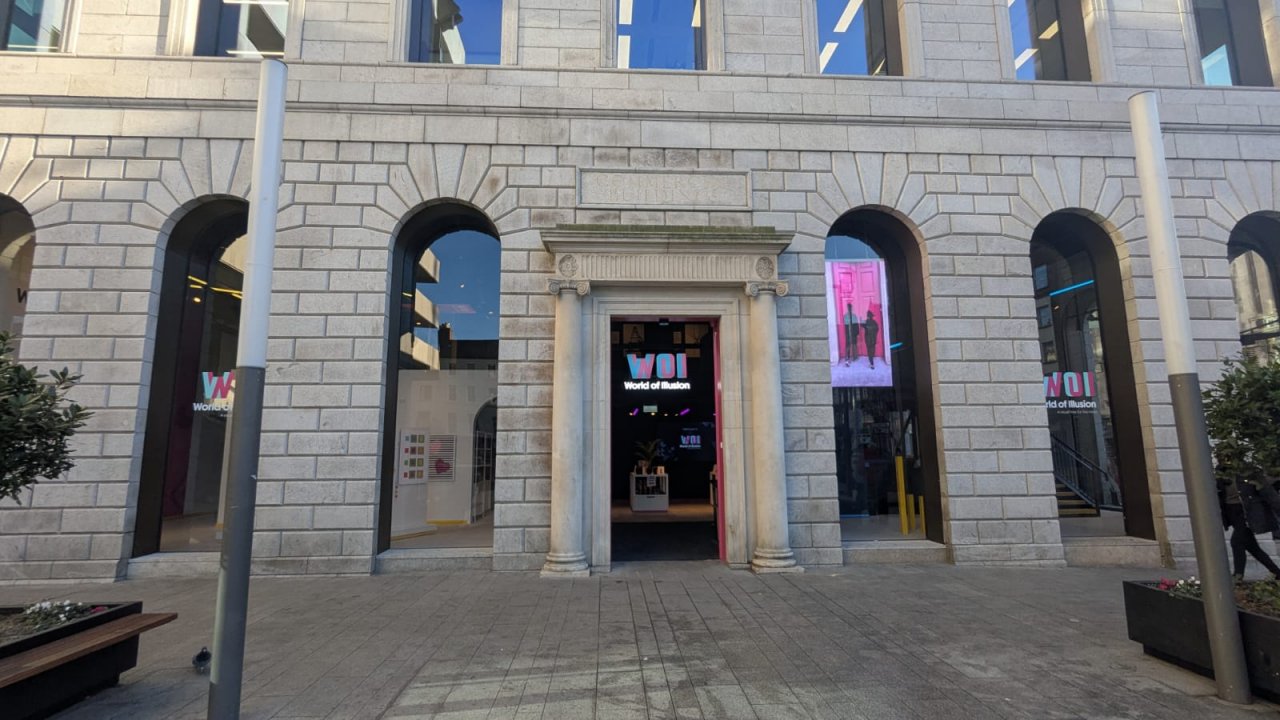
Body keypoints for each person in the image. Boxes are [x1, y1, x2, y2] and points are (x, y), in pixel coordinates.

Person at [1219, 470, 1280, 580]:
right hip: (1232, 513)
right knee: (1251, 546)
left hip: (1245, 513)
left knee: (1236, 542)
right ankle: (1276, 572)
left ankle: (1238, 575)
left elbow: (1268, 493)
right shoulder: (1220, 473)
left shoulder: (1248, 472)